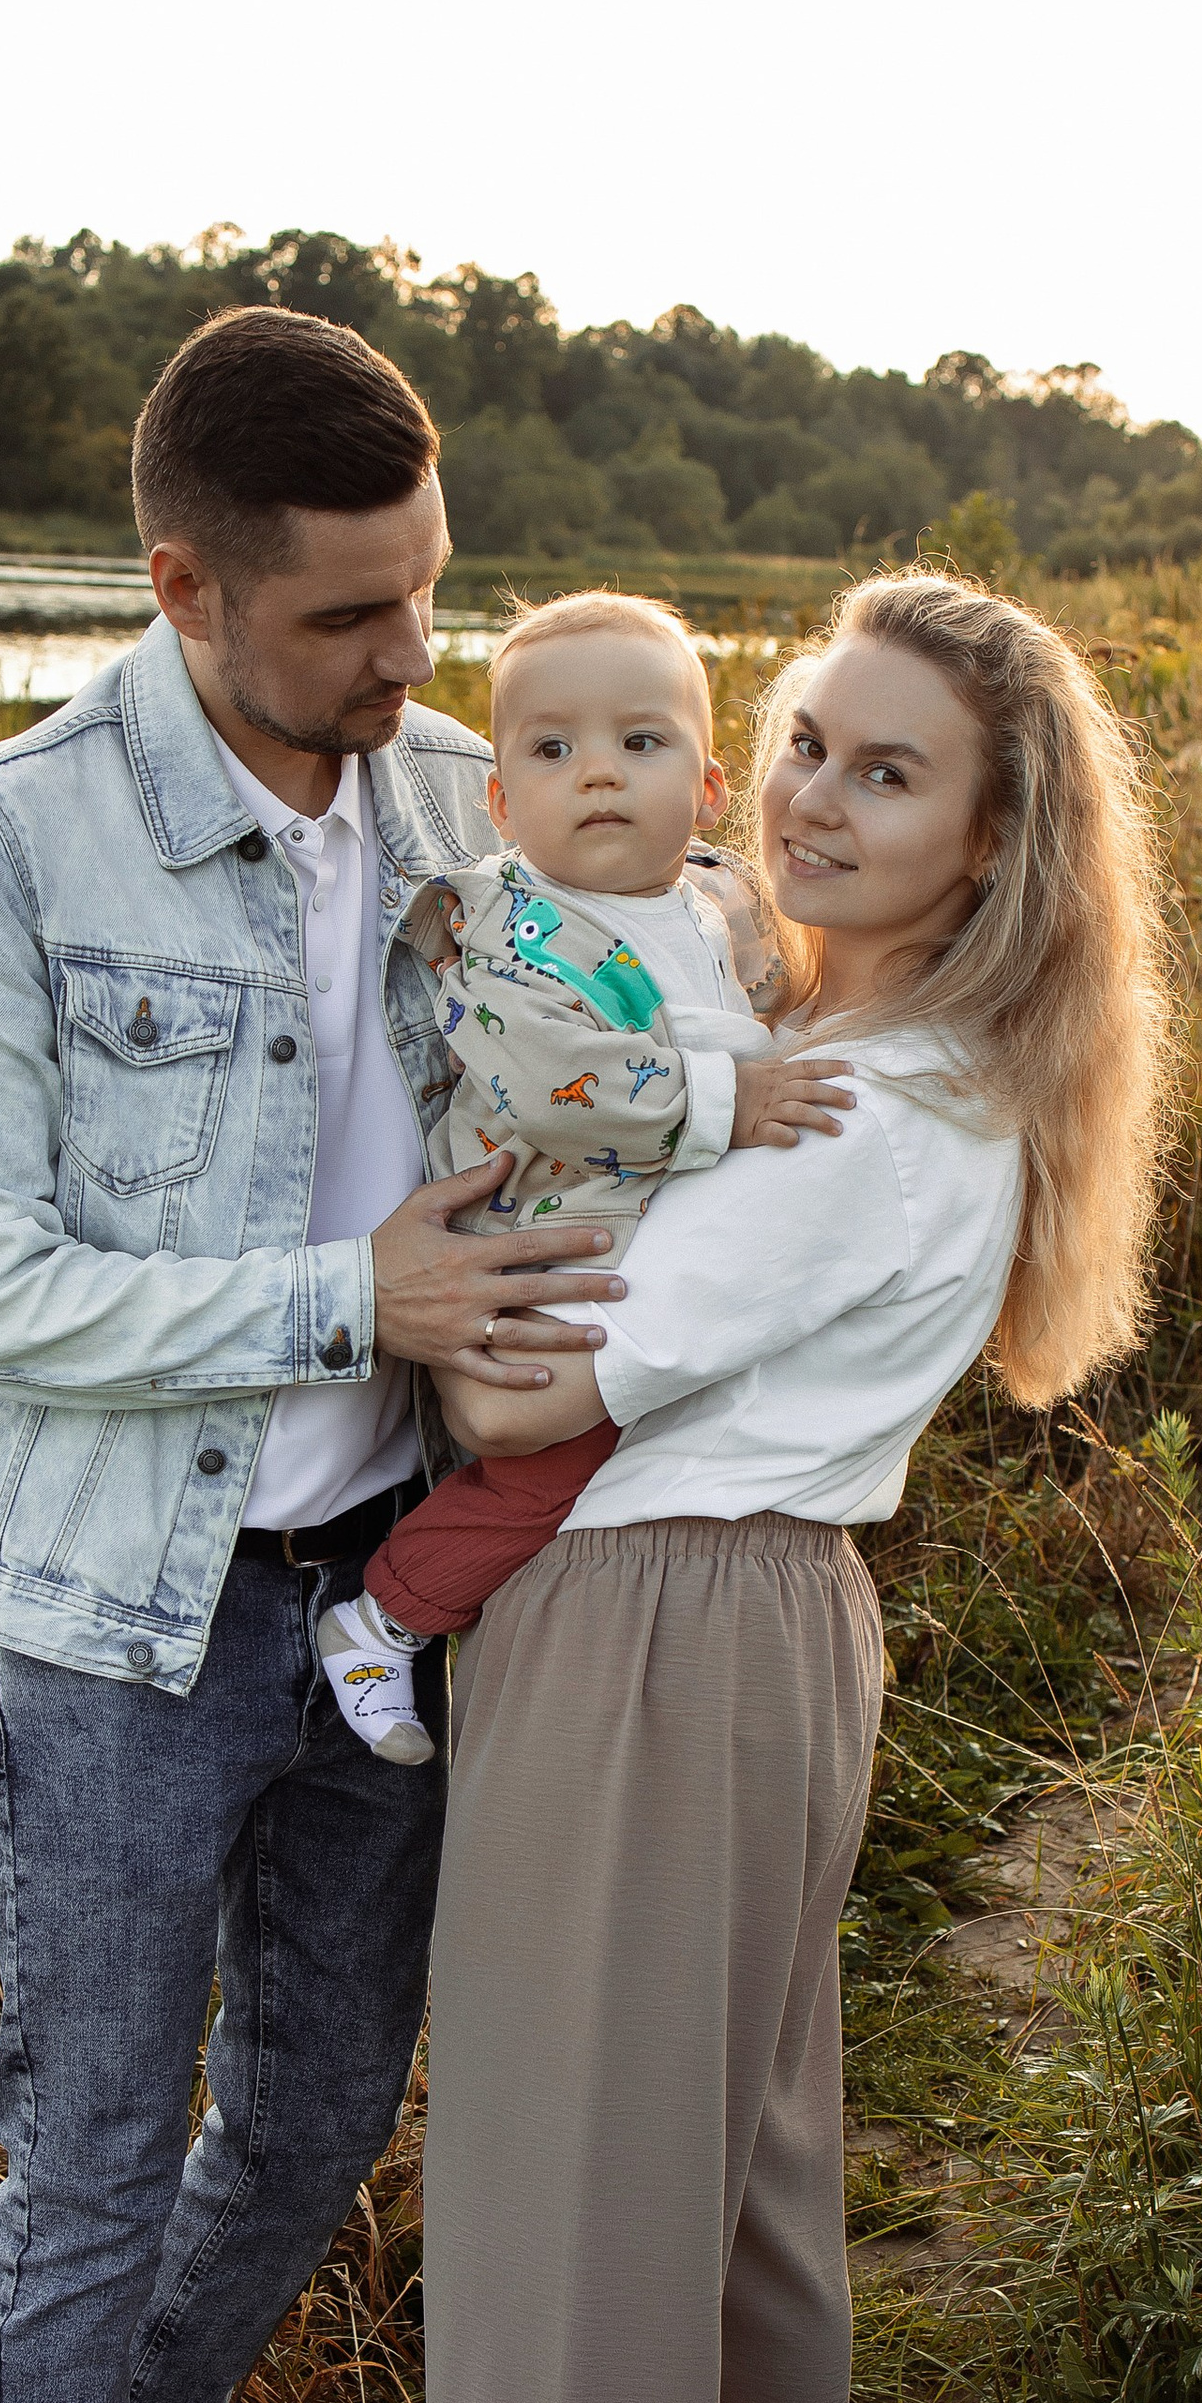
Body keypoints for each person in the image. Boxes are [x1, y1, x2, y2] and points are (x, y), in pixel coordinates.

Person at [0, 307, 631, 2403]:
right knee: (92, 2158)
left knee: (312, 2117)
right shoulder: (17, 842)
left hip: (383, 1613)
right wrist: (357, 1292)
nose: (411, 661)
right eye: (344, 620)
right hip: (112, 1616)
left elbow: (650, 1015)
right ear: (182, 585)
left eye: (431, 594)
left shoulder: (459, 792)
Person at [391, 569, 1170, 2403]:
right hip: (758, 1616)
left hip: (648, 1618)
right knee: (730, 2168)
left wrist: (426, 1287)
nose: (816, 796)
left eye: (889, 768)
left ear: (991, 835)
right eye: (808, 737)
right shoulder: (898, 1060)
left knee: (570, 2198)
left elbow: (526, 1378)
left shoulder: (851, 1113)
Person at [315, 591, 854, 1764]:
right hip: (543, 1250)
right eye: (553, 750)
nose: (598, 774)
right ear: (502, 802)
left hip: (645, 1239)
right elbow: (553, 1078)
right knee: (550, 1457)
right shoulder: (508, 927)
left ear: (709, 788)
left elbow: (780, 1007)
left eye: (639, 742)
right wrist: (737, 1100)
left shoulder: (719, 901)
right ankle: (383, 1615)